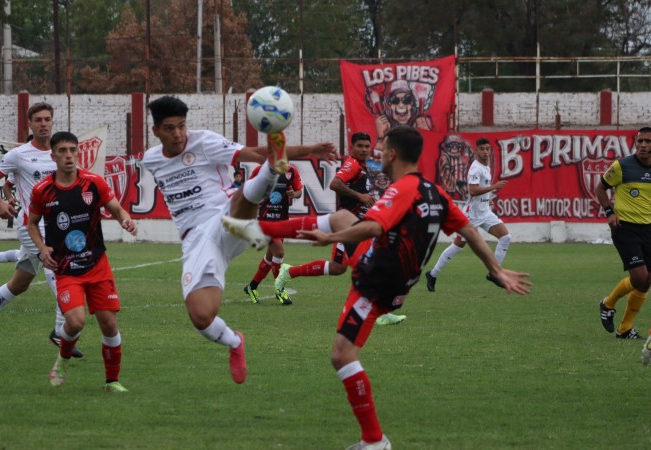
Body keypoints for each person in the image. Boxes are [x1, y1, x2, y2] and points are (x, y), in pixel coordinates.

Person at [222, 126, 532, 450]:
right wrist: (495, 270)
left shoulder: (403, 190)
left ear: (392, 154)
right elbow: (469, 231)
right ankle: (256, 229)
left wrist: (331, 239)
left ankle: (375, 441)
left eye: (382, 148)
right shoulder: (435, 193)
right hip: (394, 281)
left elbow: (373, 225)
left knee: (342, 356)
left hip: (375, 286)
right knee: (342, 217)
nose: (377, 154)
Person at [139, 95, 336, 384]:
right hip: (197, 240)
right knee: (201, 316)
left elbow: (254, 154)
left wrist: (310, 150)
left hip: (225, 216)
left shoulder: (203, 141)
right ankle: (234, 342)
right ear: (155, 131)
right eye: (169, 128)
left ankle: (274, 170)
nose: (178, 134)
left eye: (182, 126)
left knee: (247, 192)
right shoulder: (151, 158)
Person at [0, 102, 82, 358]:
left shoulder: (60, 153)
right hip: (33, 229)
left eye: (47, 119)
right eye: (38, 119)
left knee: (19, 284)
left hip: (57, 228)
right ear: (30, 124)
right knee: (60, 271)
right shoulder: (19, 154)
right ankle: (59, 331)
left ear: (52, 122)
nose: (43, 123)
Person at [28, 131, 137, 392]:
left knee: (109, 324)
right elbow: (31, 223)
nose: (69, 156)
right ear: (53, 156)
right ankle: (62, 361)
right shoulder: (42, 190)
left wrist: (125, 220)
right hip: (65, 268)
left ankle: (112, 381)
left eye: (73, 150)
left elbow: (116, 208)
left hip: (97, 264)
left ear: (79, 153)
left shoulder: (93, 183)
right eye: (63, 151)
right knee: (75, 322)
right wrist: (42, 249)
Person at [274, 131, 405, 325]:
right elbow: (335, 184)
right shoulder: (352, 164)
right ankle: (380, 312)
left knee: (338, 268)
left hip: (356, 226)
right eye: (359, 146)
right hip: (349, 227)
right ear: (352, 148)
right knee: (374, 264)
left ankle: (289, 271)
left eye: (367, 146)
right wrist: (359, 197)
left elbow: (357, 195)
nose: (364, 150)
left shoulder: (362, 167)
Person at [425, 137, 511, 292]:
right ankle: (433, 273)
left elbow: (480, 192)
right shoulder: (475, 168)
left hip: (484, 211)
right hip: (472, 215)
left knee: (506, 237)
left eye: (488, 149)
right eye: (482, 149)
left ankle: (494, 274)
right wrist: (494, 187)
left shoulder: (486, 167)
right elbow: (473, 190)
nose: (485, 152)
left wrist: (488, 199)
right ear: (475, 150)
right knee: (458, 245)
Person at [596, 127, 651, 340]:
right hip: (625, 228)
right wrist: (609, 212)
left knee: (647, 281)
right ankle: (607, 303)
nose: (643, 145)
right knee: (639, 278)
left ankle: (625, 329)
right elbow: (600, 189)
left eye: (647, 141)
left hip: (648, 229)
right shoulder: (622, 166)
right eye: (640, 141)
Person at [243, 162, 302, 305]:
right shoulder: (260, 170)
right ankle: (279, 289)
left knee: (271, 257)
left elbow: (299, 191)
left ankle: (252, 287)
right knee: (279, 253)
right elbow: (248, 189)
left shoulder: (291, 171)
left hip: (282, 221)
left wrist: (294, 194)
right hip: (265, 221)